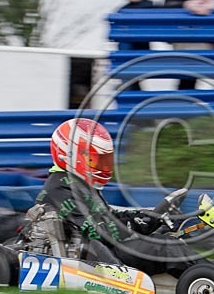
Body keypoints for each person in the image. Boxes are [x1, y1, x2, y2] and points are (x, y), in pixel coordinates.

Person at [32, 118, 202, 278]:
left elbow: (108, 217)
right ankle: (211, 281)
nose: (103, 167)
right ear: (69, 155)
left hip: (106, 249)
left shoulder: (79, 183)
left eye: (105, 160)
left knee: (169, 240)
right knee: (165, 246)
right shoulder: (61, 188)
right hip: (96, 259)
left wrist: (147, 216)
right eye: (94, 160)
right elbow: (100, 233)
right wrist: (144, 223)